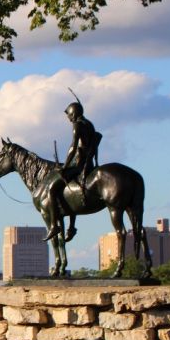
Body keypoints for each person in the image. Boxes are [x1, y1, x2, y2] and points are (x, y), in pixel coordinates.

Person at [43, 100, 102, 241]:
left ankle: (53, 226)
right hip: (89, 164)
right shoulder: (89, 124)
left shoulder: (77, 125)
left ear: (73, 113)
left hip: (78, 165)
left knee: (51, 189)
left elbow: (74, 147)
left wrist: (64, 167)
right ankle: (71, 227)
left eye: (69, 115)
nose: (69, 119)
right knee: (68, 190)